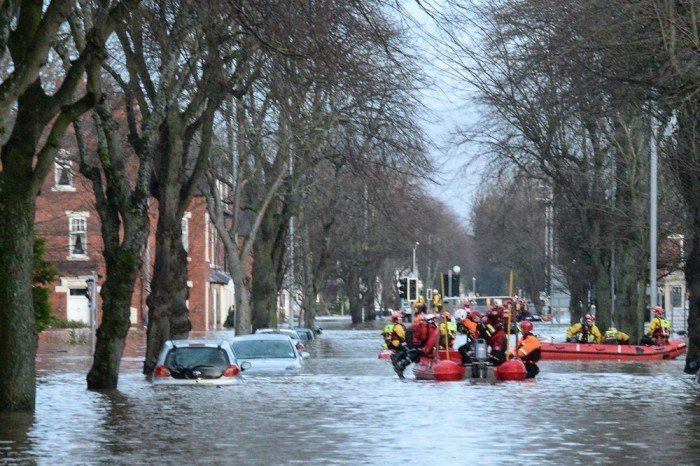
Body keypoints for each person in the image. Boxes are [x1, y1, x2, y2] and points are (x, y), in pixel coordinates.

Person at [391, 314, 438, 378]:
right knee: (415, 352)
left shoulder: (424, 327)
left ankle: (399, 360)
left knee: (413, 351)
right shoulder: (431, 328)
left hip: (409, 338)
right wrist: (425, 350)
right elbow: (431, 341)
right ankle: (401, 365)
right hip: (407, 340)